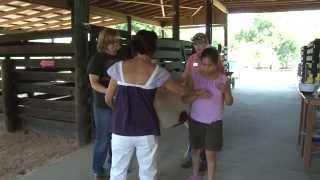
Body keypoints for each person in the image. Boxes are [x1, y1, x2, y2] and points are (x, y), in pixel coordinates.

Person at [105, 30, 188, 180]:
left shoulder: (119, 67)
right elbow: (181, 91)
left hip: (121, 128)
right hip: (147, 128)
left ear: (135, 46)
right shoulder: (158, 72)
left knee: (117, 171)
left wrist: (119, 111)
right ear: (153, 48)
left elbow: (108, 98)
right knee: (148, 172)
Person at [183, 47, 233, 180]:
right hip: (195, 121)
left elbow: (229, 102)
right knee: (195, 150)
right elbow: (185, 99)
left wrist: (226, 91)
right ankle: (195, 175)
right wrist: (197, 94)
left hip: (214, 122)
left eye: (209, 65)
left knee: (211, 155)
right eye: (203, 64)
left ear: (216, 64)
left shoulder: (222, 79)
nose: (206, 68)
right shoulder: (194, 77)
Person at [87, 28, 120, 180]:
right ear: (104, 43)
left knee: (117, 137)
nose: (116, 45)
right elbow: (93, 83)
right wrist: (109, 92)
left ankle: (114, 166)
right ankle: (98, 170)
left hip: (119, 103)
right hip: (103, 105)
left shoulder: (121, 57)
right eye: (112, 43)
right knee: (103, 139)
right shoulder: (97, 59)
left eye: (117, 42)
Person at [181, 33, 212, 170]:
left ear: (207, 44)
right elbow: (186, 76)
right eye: (196, 44)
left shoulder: (213, 58)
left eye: (201, 44)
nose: (198, 47)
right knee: (192, 128)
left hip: (208, 98)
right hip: (193, 98)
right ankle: (192, 156)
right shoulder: (192, 59)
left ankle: (204, 159)